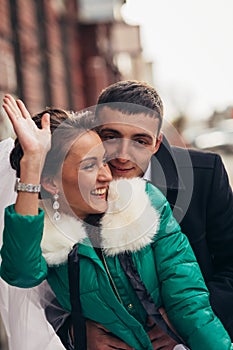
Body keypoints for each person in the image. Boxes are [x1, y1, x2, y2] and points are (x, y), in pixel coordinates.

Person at [1, 94, 233, 350]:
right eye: (90, 165)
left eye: (103, 160)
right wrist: (32, 161)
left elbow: (189, 300)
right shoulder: (44, 232)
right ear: (51, 183)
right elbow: (22, 275)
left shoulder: (146, 203)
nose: (107, 174)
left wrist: (181, 331)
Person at [90, 79, 233, 347]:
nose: (122, 155)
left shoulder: (205, 176)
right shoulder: (74, 182)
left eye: (140, 141)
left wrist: (185, 322)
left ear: (156, 143)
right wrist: (76, 331)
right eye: (110, 136)